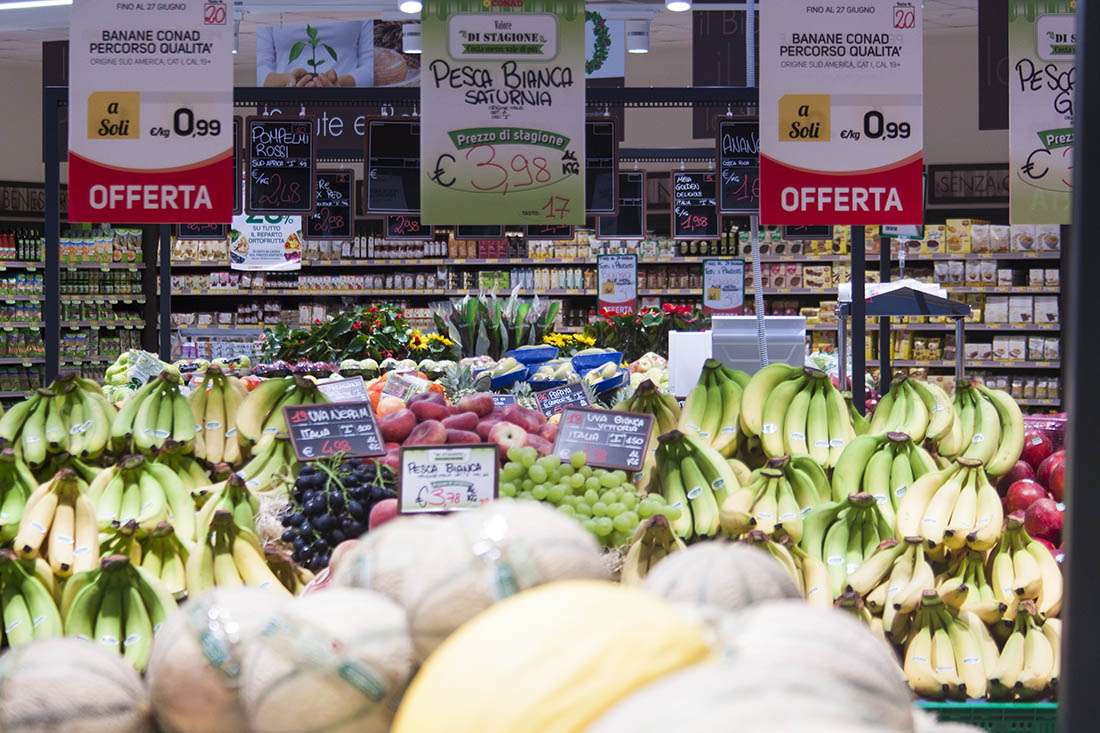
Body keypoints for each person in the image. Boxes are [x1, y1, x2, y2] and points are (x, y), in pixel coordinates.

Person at [257, 20, 374, 87]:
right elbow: (260, 67)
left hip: (346, 105)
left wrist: (340, 83)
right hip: (286, 104)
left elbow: (372, 65)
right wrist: (289, 81)